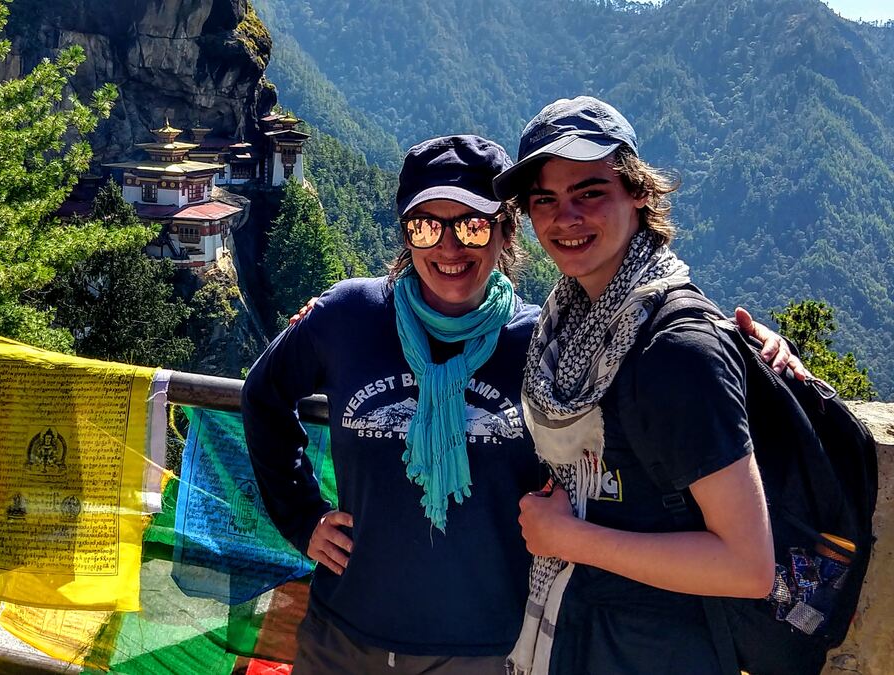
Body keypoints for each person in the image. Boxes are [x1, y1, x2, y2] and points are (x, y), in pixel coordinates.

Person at [242, 132, 798, 675]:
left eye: (472, 225)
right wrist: (302, 516)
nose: (449, 246)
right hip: (344, 633)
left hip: (489, 645)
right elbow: (264, 394)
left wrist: (757, 351)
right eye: (426, 225)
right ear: (407, 236)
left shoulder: (548, 344)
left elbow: (652, 337)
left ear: (507, 233)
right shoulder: (348, 316)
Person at [491, 96, 775, 675]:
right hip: (586, 639)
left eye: (589, 192)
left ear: (639, 192)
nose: (564, 218)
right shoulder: (563, 329)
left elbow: (747, 566)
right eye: (544, 200)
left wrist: (569, 539)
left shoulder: (676, 352)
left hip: (660, 651)